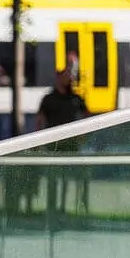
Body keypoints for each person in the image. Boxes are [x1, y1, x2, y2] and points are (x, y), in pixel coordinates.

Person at [37, 59, 91, 213]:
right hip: (53, 145)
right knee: (53, 179)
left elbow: (88, 114)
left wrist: (83, 134)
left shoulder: (75, 98)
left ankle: (65, 207)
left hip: (71, 145)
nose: (69, 78)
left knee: (68, 178)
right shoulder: (49, 98)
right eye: (66, 75)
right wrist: (38, 140)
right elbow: (40, 119)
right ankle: (52, 207)